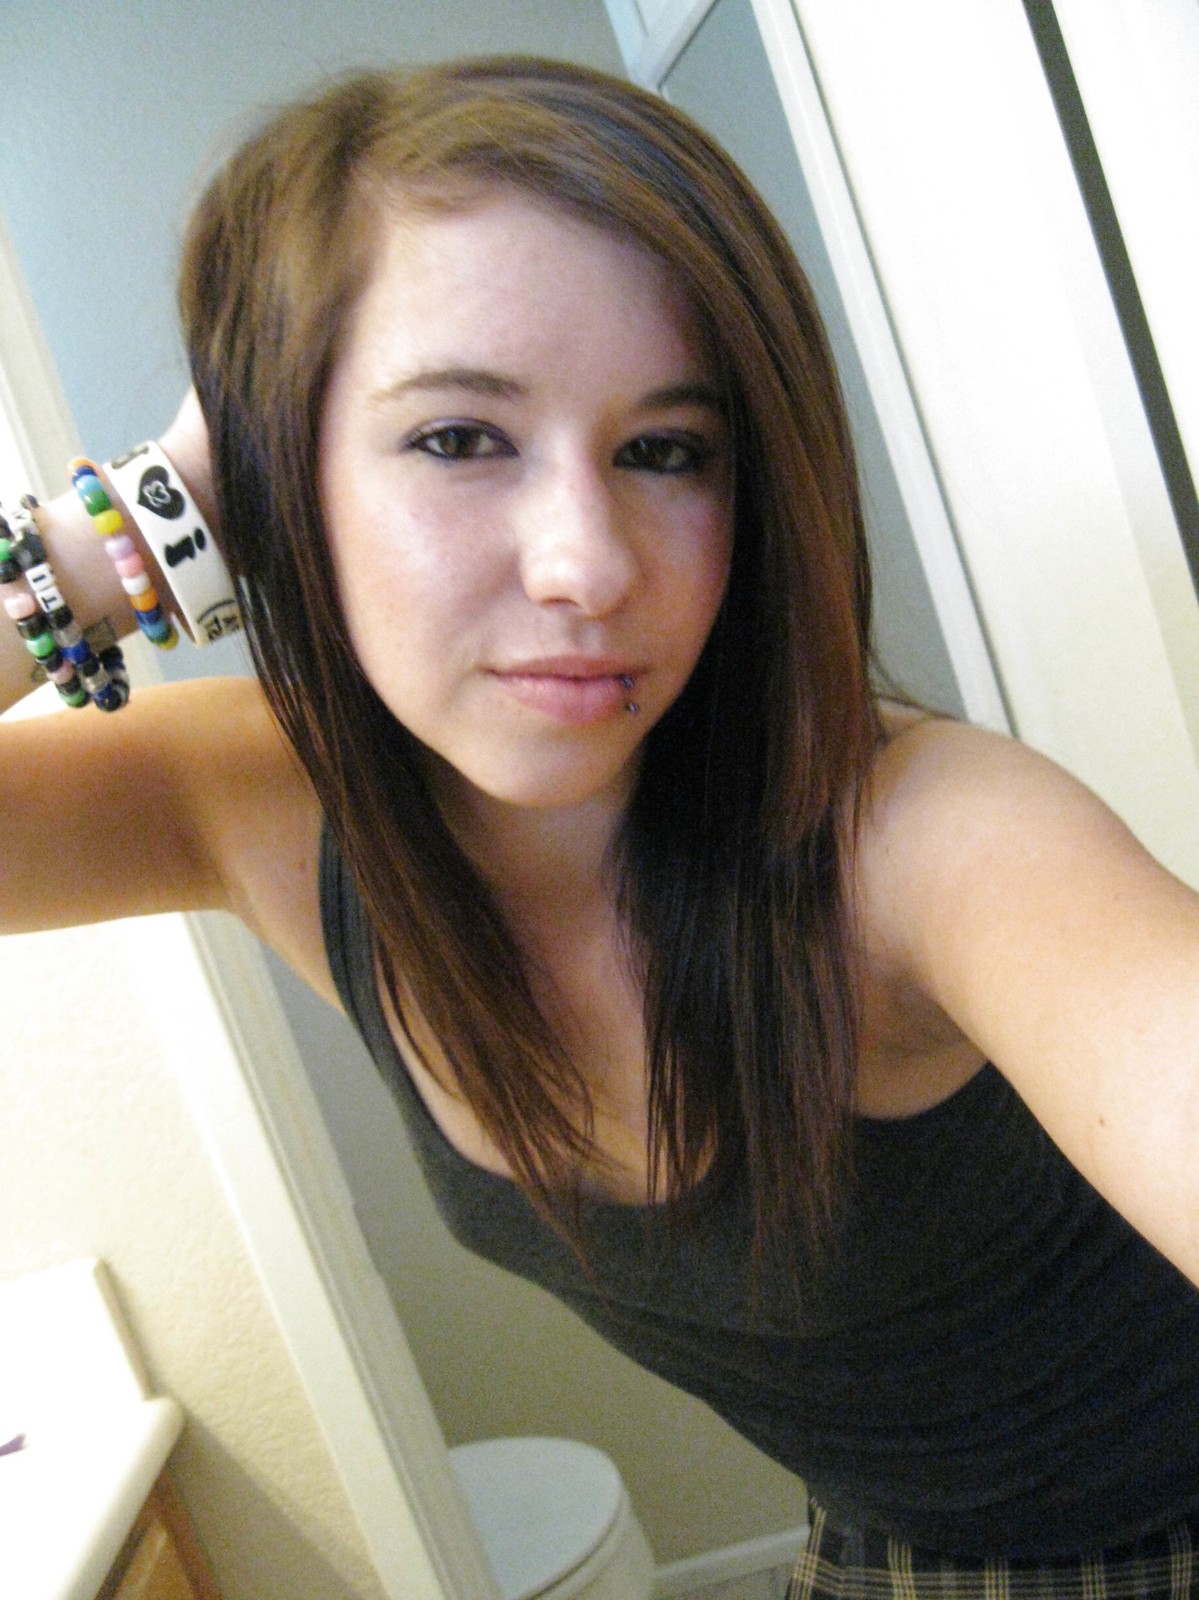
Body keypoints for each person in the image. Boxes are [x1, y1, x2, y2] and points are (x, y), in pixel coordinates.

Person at [2, 56, 1198, 1598]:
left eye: (666, 452)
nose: (587, 564)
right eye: (458, 439)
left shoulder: (928, 840)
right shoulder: (248, 802)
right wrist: (149, 514)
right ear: (287, 468)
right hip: (896, 1542)